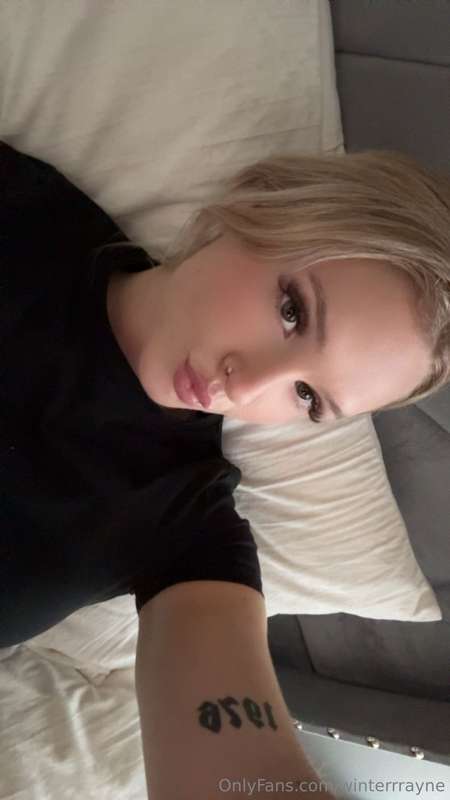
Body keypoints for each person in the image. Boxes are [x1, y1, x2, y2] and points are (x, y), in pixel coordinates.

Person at [1, 140, 449, 798]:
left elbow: (239, 772)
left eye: (307, 397)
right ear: (258, 205)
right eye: (292, 311)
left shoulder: (185, 528)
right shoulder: (23, 211)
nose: (247, 385)